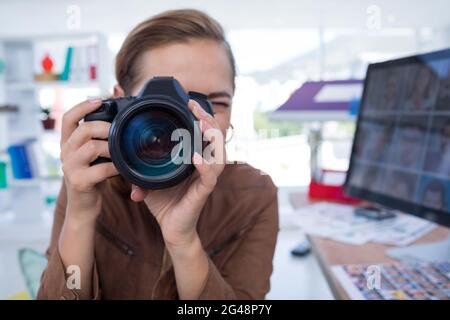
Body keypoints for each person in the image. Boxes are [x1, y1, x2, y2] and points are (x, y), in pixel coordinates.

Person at [37, 9, 278, 300]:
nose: (194, 119)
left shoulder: (253, 194)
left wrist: (184, 241)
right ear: (119, 100)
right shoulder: (90, 180)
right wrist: (80, 215)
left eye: (215, 102)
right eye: (168, 102)